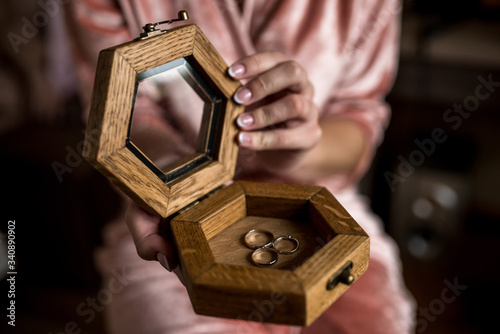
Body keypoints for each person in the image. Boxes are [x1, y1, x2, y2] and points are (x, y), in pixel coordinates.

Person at [66, 0, 416, 333]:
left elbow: (358, 115)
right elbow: (126, 113)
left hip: (320, 194)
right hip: (182, 208)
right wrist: (167, 182)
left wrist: (297, 151)